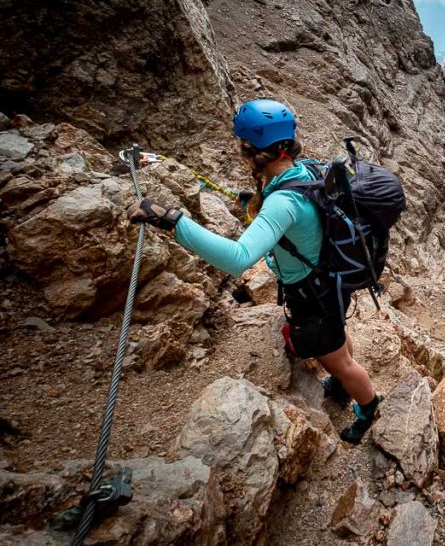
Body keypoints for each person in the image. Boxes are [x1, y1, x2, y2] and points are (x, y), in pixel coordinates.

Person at [127, 98, 381, 444]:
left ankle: (368, 408)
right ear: (286, 147)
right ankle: (340, 381)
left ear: (255, 154)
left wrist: (173, 222)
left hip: (313, 292)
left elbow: (238, 257)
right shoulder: (304, 171)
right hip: (328, 280)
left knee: (339, 361)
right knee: (336, 338)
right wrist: (259, 202)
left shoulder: (281, 202)